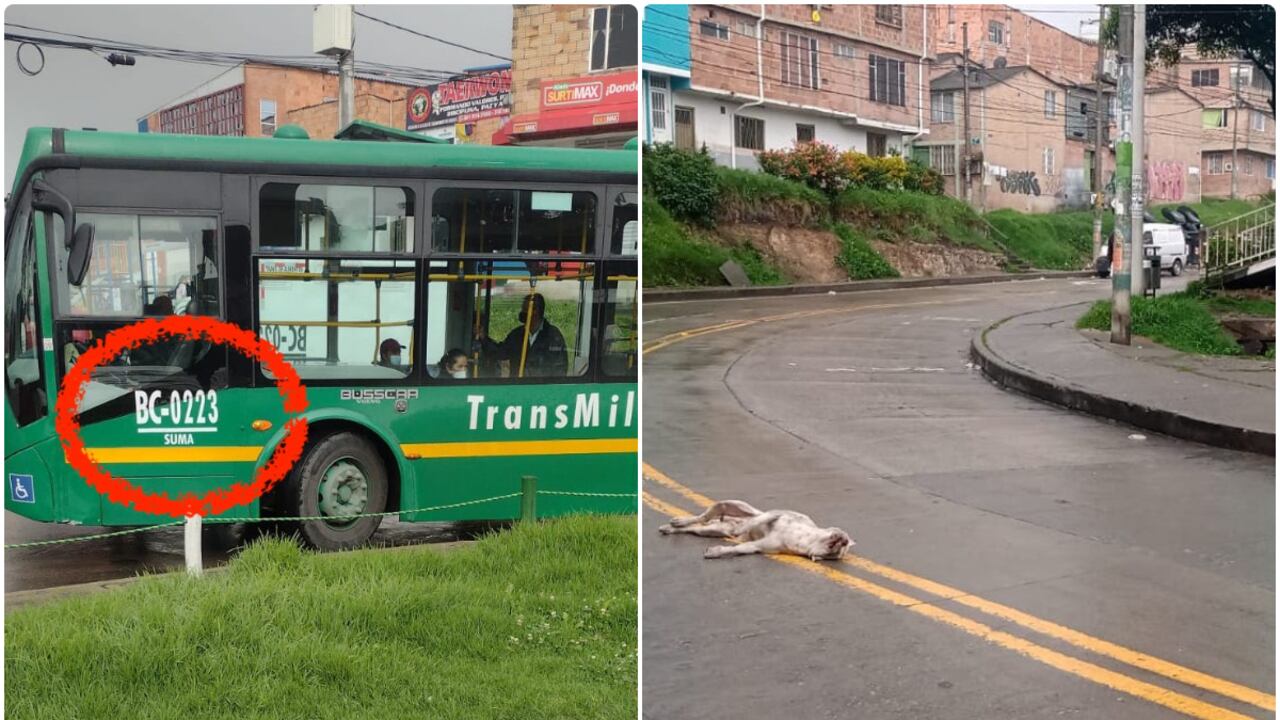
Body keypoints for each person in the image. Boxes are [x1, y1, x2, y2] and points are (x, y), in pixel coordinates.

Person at [477, 293, 567, 377]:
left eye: (525, 310)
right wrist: (484, 338)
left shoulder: (553, 336)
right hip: (518, 388)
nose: (522, 313)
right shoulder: (517, 335)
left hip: (541, 390)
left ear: (535, 312)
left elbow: (560, 368)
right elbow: (500, 352)